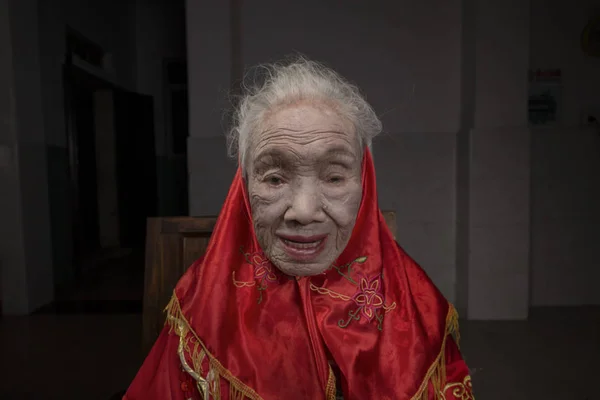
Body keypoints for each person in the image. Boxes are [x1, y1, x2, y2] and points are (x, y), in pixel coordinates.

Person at [124, 57, 474, 400]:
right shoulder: (201, 308)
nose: (304, 212)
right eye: (275, 178)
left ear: (365, 184)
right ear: (245, 188)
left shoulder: (419, 309)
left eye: (335, 177)